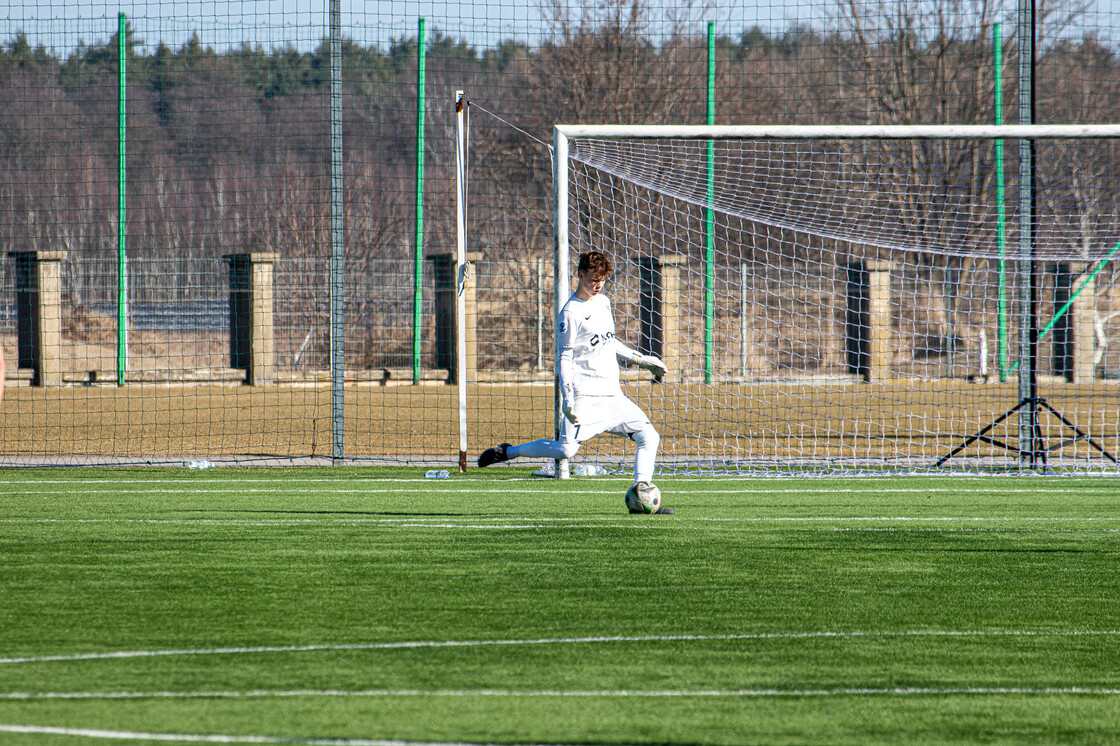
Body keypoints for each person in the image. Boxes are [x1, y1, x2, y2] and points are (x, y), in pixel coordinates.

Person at [479, 250, 673, 514]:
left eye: (602, 280)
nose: (598, 285)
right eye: (594, 279)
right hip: (585, 398)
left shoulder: (603, 302)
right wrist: (568, 397)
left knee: (649, 436)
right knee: (566, 450)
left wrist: (642, 359)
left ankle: (642, 492)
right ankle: (508, 452)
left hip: (613, 397)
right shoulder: (570, 312)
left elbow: (609, 340)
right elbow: (564, 357)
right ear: (580, 275)